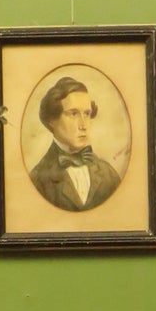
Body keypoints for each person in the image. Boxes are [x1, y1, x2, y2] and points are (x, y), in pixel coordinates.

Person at [29, 76, 123, 212]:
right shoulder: (37, 180)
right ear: (52, 120)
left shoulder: (109, 175)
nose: (84, 125)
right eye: (73, 114)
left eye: (87, 114)